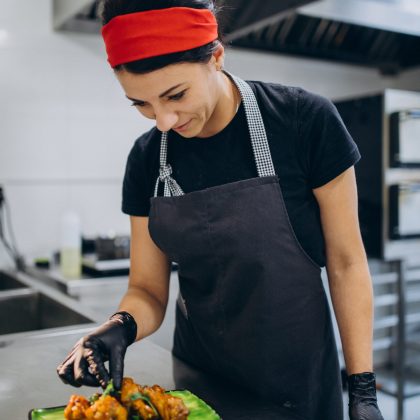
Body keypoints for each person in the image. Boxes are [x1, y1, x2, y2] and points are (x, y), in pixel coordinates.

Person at [57, 1, 384, 419]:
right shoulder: (145, 160)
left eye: (175, 95)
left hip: (297, 387)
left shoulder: (305, 122)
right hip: (198, 389)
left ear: (216, 56)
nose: (163, 120)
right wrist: (119, 326)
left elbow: (347, 263)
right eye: (140, 104)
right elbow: (148, 290)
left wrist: (363, 389)